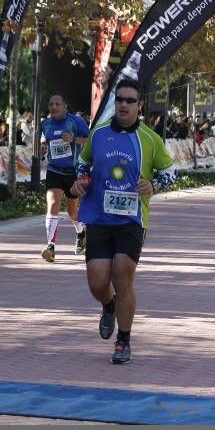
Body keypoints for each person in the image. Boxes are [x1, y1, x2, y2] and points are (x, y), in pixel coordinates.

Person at [71, 80, 176, 365]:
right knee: (97, 281)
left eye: (130, 100)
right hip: (98, 216)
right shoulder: (99, 134)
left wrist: (153, 184)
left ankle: (123, 341)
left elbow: (171, 172)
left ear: (139, 105)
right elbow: (83, 164)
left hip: (132, 218)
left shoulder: (150, 139)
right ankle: (108, 306)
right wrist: (81, 180)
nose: (124, 105)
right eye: (120, 100)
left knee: (123, 272)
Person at [39, 94, 89, 262]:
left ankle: (81, 232)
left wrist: (73, 139)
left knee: (72, 212)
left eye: (57, 104)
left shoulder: (75, 122)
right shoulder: (45, 124)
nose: (53, 107)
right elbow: (45, 143)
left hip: (73, 172)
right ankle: (50, 247)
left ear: (65, 107)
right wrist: (42, 150)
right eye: (51, 104)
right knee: (52, 204)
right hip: (54, 171)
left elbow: (89, 142)